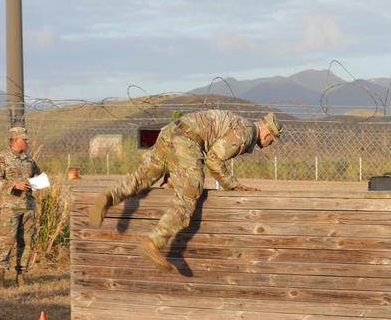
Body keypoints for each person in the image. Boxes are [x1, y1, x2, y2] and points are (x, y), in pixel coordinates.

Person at [89, 110, 284, 271]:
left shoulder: (239, 123)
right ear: (267, 135)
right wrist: (233, 185)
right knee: (190, 194)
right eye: (272, 141)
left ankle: (109, 197)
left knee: (143, 178)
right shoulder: (246, 132)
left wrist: (175, 172)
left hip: (170, 132)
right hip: (187, 142)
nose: (269, 144)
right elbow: (214, 159)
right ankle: (154, 243)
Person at [0, 126, 41, 288]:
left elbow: (38, 176)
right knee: (6, 240)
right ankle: (0, 276)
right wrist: (14, 185)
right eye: (24, 138)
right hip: (9, 206)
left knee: (26, 241)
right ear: (15, 139)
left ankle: (21, 275)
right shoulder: (0, 158)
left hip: (28, 206)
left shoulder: (29, 159)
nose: (28, 141)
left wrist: (37, 181)